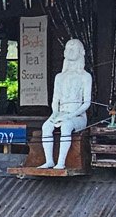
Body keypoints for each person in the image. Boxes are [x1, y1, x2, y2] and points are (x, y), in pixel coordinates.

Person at [39, 38, 93, 169]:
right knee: (46, 127)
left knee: (66, 127)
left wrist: (71, 115)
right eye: (67, 49)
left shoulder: (85, 76)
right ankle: (49, 160)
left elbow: (86, 103)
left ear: (81, 52)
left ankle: (61, 162)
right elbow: (55, 100)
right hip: (60, 113)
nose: (69, 52)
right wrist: (55, 114)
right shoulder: (59, 77)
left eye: (73, 49)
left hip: (78, 117)